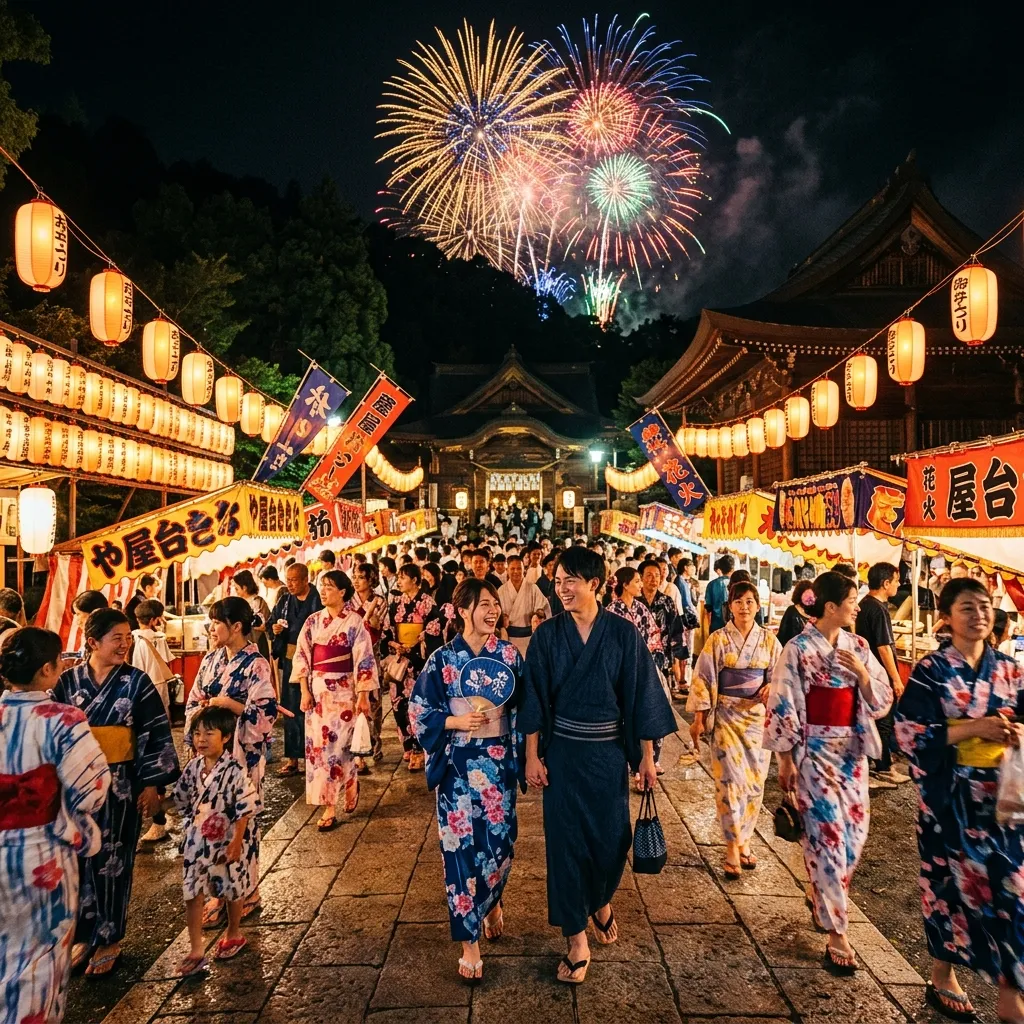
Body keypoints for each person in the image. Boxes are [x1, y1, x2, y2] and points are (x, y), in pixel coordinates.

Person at [521, 547, 676, 984]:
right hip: (564, 757)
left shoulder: (623, 634)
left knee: (612, 840)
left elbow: (641, 697)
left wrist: (646, 758)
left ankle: (601, 899)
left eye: (570, 580)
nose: (562, 589)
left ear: (594, 583)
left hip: (608, 756)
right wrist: (532, 755)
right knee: (565, 847)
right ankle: (576, 939)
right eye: (557, 581)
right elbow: (534, 700)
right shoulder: (547, 636)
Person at [896, 578, 1024, 1022]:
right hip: (949, 800)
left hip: (1004, 802)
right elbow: (906, 733)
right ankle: (942, 972)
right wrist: (975, 728)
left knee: (1013, 888)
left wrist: (1016, 732)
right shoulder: (931, 670)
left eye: (985, 606)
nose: (979, 615)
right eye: (967, 607)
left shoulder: (1011, 670)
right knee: (947, 887)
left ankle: (1011, 993)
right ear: (946, 618)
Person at [763, 572, 891, 975]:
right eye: (851, 601)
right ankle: (838, 932)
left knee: (853, 836)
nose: (857, 607)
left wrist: (864, 676)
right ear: (831, 606)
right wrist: (786, 759)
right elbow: (783, 701)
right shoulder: (798, 649)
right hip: (814, 753)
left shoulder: (859, 647)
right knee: (828, 838)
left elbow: (882, 699)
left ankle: (822, 893)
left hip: (852, 754)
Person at [410, 578, 526, 981]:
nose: (493, 611)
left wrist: (528, 754)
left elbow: (525, 709)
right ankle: (469, 943)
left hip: (498, 765)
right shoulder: (442, 659)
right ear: (462, 611)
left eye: (495, 604)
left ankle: (491, 901)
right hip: (457, 766)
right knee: (458, 850)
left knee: (500, 844)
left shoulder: (508, 655)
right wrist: (453, 721)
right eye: (484, 605)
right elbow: (418, 710)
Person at [54, 608, 180, 977]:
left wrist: (152, 784)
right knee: (76, 859)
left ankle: (109, 938)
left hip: (120, 784)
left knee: (113, 859)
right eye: (117, 638)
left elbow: (156, 732)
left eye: (128, 637)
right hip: (75, 785)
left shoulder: (137, 682)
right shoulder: (67, 682)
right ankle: (84, 935)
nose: (125, 644)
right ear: (92, 642)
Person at [0, 627, 110, 1024]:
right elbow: (92, 788)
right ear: (48, 669)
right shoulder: (62, 719)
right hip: (42, 853)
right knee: (41, 957)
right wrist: (73, 819)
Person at [186, 597, 277, 925]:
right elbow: (193, 700)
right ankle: (217, 893)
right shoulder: (210, 659)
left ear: (236, 626)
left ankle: (247, 891)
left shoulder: (257, 664)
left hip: (241, 755)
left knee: (241, 823)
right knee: (211, 821)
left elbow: (265, 713)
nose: (211, 629)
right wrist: (201, 718)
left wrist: (231, 705)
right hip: (211, 755)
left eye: (216, 623)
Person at [689, 581, 782, 878]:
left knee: (755, 783)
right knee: (729, 782)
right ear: (730, 606)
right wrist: (699, 720)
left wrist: (771, 686)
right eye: (738, 602)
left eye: (750, 601)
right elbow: (703, 679)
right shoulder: (717, 639)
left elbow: (780, 677)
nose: (744, 607)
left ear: (758, 606)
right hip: (726, 717)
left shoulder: (769, 641)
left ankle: (745, 841)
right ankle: (731, 847)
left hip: (756, 720)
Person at [173, 706, 258, 976]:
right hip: (197, 841)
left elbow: (245, 808)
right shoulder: (193, 768)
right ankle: (196, 948)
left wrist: (236, 841)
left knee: (232, 887)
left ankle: (233, 933)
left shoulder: (235, 770)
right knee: (192, 891)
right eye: (197, 733)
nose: (201, 739)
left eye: (209, 733)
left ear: (225, 737)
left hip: (226, 839)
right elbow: (181, 799)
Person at [292, 570, 378, 829]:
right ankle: (329, 805)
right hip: (318, 693)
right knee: (321, 752)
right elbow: (302, 655)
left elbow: (364, 659)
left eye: (329, 587)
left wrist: (363, 695)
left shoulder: (354, 622)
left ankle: (350, 783)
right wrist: (304, 691)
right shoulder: (313, 621)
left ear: (342, 592)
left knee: (343, 748)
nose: (323, 591)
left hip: (344, 693)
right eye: (322, 586)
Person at [856, 563, 911, 789]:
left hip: (868, 672)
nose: (898, 585)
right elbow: (884, 647)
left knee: (876, 720)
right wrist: (896, 679)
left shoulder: (864, 604)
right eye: (896, 581)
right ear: (886, 583)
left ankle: (878, 764)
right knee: (884, 721)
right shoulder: (877, 609)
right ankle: (883, 768)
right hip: (878, 673)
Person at [132, 598, 178, 844]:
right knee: (158, 734)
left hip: (138, 690)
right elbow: (167, 661)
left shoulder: (132, 638)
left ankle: (157, 816)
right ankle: (158, 809)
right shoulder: (157, 637)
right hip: (156, 686)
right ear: (155, 619)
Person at [270, 562, 322, 778]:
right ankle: (293, 759)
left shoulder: (318, 600)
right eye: (288, 580)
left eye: (294, 580)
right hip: (292, 660)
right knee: (291, 708)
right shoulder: (284, 601)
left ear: (305, 580)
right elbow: (272, 622)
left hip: (315, 661)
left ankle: (314, 756)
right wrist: (275, 628)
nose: (289, 584)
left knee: (313, 709)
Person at [638, 560, 686, 740]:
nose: (653, 579)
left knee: (659, 698)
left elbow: (676, 629)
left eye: (657, 576)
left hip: (661, 658)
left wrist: (678, 656)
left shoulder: (666, 601)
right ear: (641, 578)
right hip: (637, 659)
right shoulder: (634, 601)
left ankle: (656, 737)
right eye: (649, 575)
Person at [349, 562, 390, 770]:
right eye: (354, 577)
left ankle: (374, 742)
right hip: (351, 658)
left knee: (373, 704)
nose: (356, 581)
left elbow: (379, 628)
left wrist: (370, 618)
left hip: (372, 655)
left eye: (361, 577)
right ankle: (358, 751)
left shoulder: (379, 601)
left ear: (371, 579)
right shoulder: (349, 601)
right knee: (354, 702)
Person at [498, 554, 551, 658]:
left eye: (519, 568)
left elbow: (544, 608)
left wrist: (537, 615)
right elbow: (495, 612)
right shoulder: (501, 590)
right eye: (512, 569)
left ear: (524, 570)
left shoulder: (533, 588)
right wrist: (502, 618)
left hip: (529, 638)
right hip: (508, 638)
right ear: (507, 570)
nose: (516, 571)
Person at [231, 570, 272, 663]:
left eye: (237, 589)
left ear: (244, 588)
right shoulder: (238, 603)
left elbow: (265, 624)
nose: (236, 591)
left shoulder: (258, 602)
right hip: (242, 644)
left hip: (258, 642)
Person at [776, 581, 816, 647]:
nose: (810, 599)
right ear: (800, 595)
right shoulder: (791, 611)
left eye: (812, 596)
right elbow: (782, 635)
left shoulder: (817, 612)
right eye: (806, 596)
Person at [704, 555, 735, 635]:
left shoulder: (711, 584)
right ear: (733, 568)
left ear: (720, 568)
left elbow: (708, 608)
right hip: (733, 625)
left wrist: (710, 625)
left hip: (716, 625)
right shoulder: (736, 584)